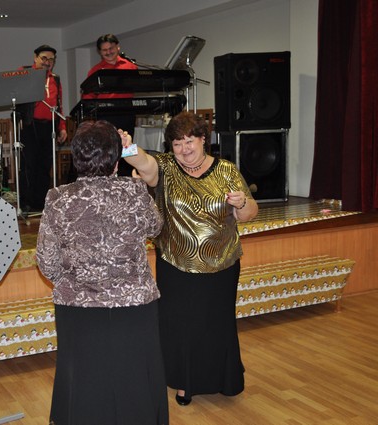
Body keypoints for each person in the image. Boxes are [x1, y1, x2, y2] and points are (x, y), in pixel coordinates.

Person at [121, 111, 259, 406]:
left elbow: (249, 213)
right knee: (182, 327)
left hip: (223, 265)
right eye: (177, 144)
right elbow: (144, 164)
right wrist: (128, 148)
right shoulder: (166, 168)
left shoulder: (226, 170)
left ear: (203, 139)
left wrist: (241, 203)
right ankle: (185, 383)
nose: (184, 149)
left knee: (217, 325)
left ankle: (224, 379)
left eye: (189, 141)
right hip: (177, 265)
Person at [36, 120, 168, 425]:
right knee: (135, 375)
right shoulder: (135, 191)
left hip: (78, 308)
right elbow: (156, 226)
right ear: (115, 159)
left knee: (84, 377)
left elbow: (47, 261)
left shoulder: (58, 198)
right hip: (134, 305)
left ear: (76, 157)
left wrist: (75, 283)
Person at [17, 44, 67, 213]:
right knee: (28, 164)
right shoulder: (25, 73)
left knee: (45, 166)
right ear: (35, 58)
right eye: (44, 58)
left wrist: (62, 127)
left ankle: (40, 202)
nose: (47, 62)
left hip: (49, 126)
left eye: (51, 59)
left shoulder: (55, 79)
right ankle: (25, 202)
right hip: (30, 125)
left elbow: (59, 105)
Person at [82, 34, 138, 176]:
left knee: (126, 147)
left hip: (126, 113)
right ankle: (106, 178)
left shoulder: (130, 67)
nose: (108, 52)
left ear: (117, 47)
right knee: (107, 149)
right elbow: (87, 96)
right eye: (104, 50)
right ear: (100, 52)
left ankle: (126, 178)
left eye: (111, 48)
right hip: (105, 115)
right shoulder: (95, 71)